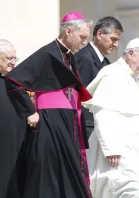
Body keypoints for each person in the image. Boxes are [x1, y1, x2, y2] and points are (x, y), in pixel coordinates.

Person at [5, 12, 93, 198]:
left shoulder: (69, 56)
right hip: (50, 125)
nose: (84, 43)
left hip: (68, 123)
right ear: (68, 31)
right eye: (82, 37)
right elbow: (13, 80)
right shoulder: (47, 53)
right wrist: (30, 112)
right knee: (51, 179)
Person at [83, 38, 139, 198]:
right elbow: (102, 113)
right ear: (131, 54)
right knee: (128, 191)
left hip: (135, 154)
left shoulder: (131, 77)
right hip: (118, 153)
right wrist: (111, 149)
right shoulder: (111, 73)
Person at [76, 16, 123, 140]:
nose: (116, 44)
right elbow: (81, 97)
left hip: (100, 124)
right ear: (100, 34)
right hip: (87, 126)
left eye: (117, 40)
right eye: (113, 39)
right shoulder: (84, 58)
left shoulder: (106, 62)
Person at [0, 39, 27, 198]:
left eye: (14, 58)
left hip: (18, 141)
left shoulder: (17, 81)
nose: (12, 62)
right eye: (8, 58)